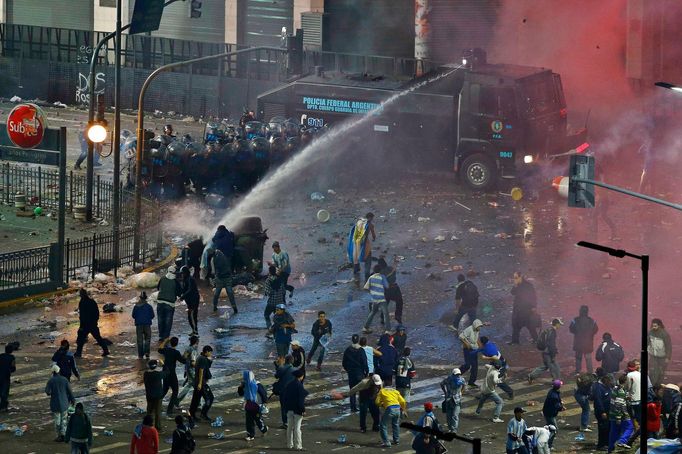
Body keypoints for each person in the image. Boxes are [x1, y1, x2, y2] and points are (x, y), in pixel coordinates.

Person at [75, 288, 110, 357]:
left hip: (85, 325)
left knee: (81, 339)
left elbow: (82, 315)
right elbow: (96, 313)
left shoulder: (82, 302)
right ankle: (105, 350)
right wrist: (95, 321)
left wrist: (81, 325)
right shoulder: (92, 301)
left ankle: (78, 353)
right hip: (92, 324)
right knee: (98, 338)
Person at [45, 364, 75, 442]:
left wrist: (52, 392)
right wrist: (73, 400)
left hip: (55, 404)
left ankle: (59, 436)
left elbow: (47, 392)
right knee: (64, 419)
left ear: (53, 372)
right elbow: (70, 391)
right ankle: (63, 434)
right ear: (59, 371)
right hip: (64, 403)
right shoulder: (64, 379)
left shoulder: (51, 380)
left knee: (57, 420)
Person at [528, 318, 563, 383]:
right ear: (557, 324)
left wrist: (555, 349)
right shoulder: (552, 332)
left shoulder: (548, 330)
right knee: (554, 367)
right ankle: (556, 381)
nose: (560, 326)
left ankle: (531, 376)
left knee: (545, 366)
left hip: (545, 351)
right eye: (559, 324)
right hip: (548, 352)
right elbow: (551, 344)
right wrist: (553, 355)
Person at [159, 337, 186, 416]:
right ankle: (169, 409)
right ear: (177, 344)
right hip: (171, 373)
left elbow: (159, 349)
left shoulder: (166, 350)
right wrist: (185, 355)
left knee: (165, 389)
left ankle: (156, 404)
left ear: (170, 343)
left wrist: (165, 340)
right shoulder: (176, 352)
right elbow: (183, 361)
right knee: (175, 391)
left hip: (165, 371)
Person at [509, 272, 539, 345]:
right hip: (518, 309)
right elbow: (512, 293)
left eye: (516, 278)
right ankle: (515, 341)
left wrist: (533, 307)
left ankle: (537, 340)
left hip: (526, 310)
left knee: (530, 326)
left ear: (520, 277)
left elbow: (533, 297)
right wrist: (515, 285)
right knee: (515, 326)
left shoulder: (528, 286)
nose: (514, 279)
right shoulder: (517, 285)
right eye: (514, 278)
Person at [375, 380, 407, 447]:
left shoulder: (382, 391)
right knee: (395, 424)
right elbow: (403, 401)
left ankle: (386, 443)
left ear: (383, 385)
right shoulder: (395, 391)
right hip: (397, 408)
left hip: (390, 409)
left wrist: (383, 405)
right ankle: (396, 440)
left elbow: (377, 402)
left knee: (383, 425)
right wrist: (403, 409)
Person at [237, 370, 268, 441]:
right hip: (248, 405)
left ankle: (264, 429)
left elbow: (263, 394)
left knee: (258, 420)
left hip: (257, 405)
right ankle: (250, 435)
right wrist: (240, 387)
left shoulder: (257, 385)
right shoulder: (244, 385)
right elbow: (240, 393)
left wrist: (264, 402)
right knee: (249, 421)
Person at [281, 368, 307, 451]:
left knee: (290, 427)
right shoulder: (299, 386)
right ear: (301, 377)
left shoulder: (289, 385)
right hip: (297, 410)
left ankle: (289, 444)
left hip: (289, 409)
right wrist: (303, 410)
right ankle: (298, 446)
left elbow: (284, 397)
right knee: (297, 428)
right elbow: (300, 400)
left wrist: (285, 408)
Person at [569, 305, 599, 374]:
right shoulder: (592, 321)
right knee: (588, 358)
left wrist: (577, 333)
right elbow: (596, 329)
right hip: (588, 343)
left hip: (578, 342)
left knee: (578, 358)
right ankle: (590, 372)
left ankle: (578, 371)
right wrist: (590, 334)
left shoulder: (575, 320)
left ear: (580, 311)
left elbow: (571, 329)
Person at [342, 334, 368, 413]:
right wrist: (366, 372)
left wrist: (348, 369)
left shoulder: (348, 350)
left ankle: (353, 407)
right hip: (360, 373)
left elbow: (344, 362)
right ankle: (362, 405)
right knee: (362, 391)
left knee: (352, 391)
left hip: (351, 373)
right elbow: (364, 362)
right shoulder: (361, 350)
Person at [189, 345, 214, 425]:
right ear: (206, 352)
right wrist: (200, 383)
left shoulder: (200, 357)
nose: (211, 354)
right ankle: (203, 414)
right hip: (201, 383)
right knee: (209, 398)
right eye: (210, 352)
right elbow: (201, 371)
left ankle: (191, 415)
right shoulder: (203, 359)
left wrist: (210, 360)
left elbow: (206, 366)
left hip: (198, 382)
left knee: (195, 399)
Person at [348, 212, 376, 284]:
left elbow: (354, 230)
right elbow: (373, 236)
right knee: (368, 259)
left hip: (356, 243)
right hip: (365, 244)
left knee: (356, 256)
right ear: (371, 218)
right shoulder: (370, 225)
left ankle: (356, 270)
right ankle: (367, 275)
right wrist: (373, 238)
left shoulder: (359, 222)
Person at [609, 374, 634, 451]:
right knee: (630, 427)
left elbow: (617, 399)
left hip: (612, 414)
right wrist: (618, 417)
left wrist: (626, 398)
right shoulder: (621, 391)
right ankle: (622, 441)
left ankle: (610, 449)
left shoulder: (615, 388)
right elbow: (618, 405)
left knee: (614, 432)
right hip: (621, 415)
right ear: (626, 382)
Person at [363, 265, 390, 333]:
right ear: (380, 270)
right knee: (386, 313)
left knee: (372, 312)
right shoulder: (382, 277)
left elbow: (365, 288)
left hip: (374, 299)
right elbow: (387, 286)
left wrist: (372, 292)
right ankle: (388, 330)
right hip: (381, 299)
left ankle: (365, 327)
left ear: (374, 270)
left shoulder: (371, 277)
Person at [156, 266, 180, 342]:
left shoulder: (162, 278)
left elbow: (158, 288)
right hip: (170, 303)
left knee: (160, 320)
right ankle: (166, 337)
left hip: (160, 302)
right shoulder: (175, 281)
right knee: (168, 321)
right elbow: (179, 292)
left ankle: (161, 336)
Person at [211, 248, 238, 314]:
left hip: (220, 279)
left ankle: (214, 307)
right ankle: (235, 308)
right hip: (227, 278)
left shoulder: (214, 259)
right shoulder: (223, 256)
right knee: (230, 293)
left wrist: (215, 277)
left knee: (216, 294)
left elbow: (213, 271)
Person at [377, 256, 403, 324]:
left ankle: (382, 318)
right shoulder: (391, 269)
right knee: (399, 301)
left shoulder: (380, 273)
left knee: (385, 304)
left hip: (386, 290)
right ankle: (398, 316)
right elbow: (394, 270)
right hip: (394, 288)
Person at [459, 319, 484, 387]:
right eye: (479, 327)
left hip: (474, 349)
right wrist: (467, 344)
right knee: (467, 365)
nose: (480, 328)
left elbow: (477, 336)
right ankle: (456, 375)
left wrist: (480, 345)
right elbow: (461, 337)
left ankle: (471, 382)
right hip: (467, 350)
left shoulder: (477, 330)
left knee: (475, 366)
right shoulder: (469, 329)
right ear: (476, 326)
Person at [441, 368, 466, 433]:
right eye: (456, 375)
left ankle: (454, 430)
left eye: (458, 375)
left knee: (455, 415)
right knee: (449, 415)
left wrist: (461, 392)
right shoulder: (449, 379)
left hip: (457, 400)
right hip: (449, 399)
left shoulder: (461, 379)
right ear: (453, 374)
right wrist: (445, 392)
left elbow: (464, 385)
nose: (457, 376)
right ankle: (450, 427)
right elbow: (442, 384)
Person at [648, 318, 672, 386]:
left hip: (662, 357)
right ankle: (652, 385)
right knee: (652, 372)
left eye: (655, 326)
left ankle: (658, 385)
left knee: (661, 372)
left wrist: (668, 357)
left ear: (659, 326)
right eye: (653, 326)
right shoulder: (650, 332)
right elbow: (647, 342)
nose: (654, 327)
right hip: (653, 356)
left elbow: (668, 346)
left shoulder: (664, 334)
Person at [177, 336, 200, 406]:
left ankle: (177, 400)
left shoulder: (188, 348)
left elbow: (184, 357)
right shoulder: (193, 350)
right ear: (196, 342)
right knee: (197, 387)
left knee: (189, 385)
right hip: (193, 370)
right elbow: (193, 363)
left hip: (188, 369)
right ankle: (199, 403)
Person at [274, 355, 296, 428]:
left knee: (284, 407)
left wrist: (278, 366)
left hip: (283, 391)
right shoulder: (295, 370)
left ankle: (285, 423)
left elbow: (277, 375)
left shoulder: (282, 368)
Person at [593, 373, 613, 451]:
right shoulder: (598, 388)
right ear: (606, 380)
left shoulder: (607, 386)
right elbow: (598, 401)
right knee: (603, 428)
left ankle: (607, 443)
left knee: (608, 427)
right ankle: (601, 445)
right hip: (602, 412)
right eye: (609, 381)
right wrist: (602, 412)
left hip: (608, 411)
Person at [542, 380, 565, 447]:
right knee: (554, 430)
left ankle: (546, 443)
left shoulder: (552, 391)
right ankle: (547, 444)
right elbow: (556, 405)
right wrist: (561, 408)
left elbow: (557, 401)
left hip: (548, 412)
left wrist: (560, 402)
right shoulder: (554, 396)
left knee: (549, 428)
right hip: (550, 414)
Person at [132, 292, 155, 359]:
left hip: (139, 325)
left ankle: (140, 355)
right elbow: (152, 316)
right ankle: (147, 353)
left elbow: (133, 316)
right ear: (146, 298)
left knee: (140, 340)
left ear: (140, 298)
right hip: (147, 324)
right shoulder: (149, 306)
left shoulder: (136, 306)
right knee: (147, 339)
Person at [263, 265, 286, 333]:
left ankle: (270, 330)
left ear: (269, 272)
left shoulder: (268, 280)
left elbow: (268, 293)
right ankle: (279, 329)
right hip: (280, 302)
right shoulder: (280, 279)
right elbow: (283, 291)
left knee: (266, 315)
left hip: (272, 302)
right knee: (278, 317)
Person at [179, 266, 200, 336]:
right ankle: (194, 330)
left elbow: (190, 290)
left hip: (193, 300)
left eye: (183, 273)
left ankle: (195, 331)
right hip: (190, 301)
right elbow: (184, 289)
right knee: (191, 316)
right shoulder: (185, 279)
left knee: (192, 316)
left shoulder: (190, 279)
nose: (182, 275)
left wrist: (183, 296)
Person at [143, 360, 164, 431]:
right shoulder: (158, 374)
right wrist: (163, 364)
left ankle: (147, 425)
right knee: (158, 412)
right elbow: (168, 372)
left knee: (149, 411)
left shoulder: (146, 374)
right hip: (158, 396)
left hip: (149, 396)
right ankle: (158, 428)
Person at [574, 371, 597, 438]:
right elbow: (590, 393)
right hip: (582, 397)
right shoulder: (588, 384)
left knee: (586, 410)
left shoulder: (583, 380)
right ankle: (583, 426)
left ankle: (585, 424)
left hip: (578, 394)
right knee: (586, 410)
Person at [0, 343, 16, 412]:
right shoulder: (12, 357)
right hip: (6, 376)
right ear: (11, 351)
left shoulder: (0, 356)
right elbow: (13, 368)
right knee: (5, 391)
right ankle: (3, 406)